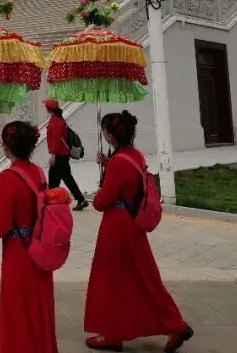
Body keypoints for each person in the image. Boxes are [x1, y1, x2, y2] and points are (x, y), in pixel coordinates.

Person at [84, 111, 193, 352]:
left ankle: (113, 334)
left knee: (111, 279)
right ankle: (174, 324)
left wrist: (98, 194)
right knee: (144, 277)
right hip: (132, 224)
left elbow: (103, 201)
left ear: (111, 136)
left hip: (117, 226)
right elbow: (128, 178)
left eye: (105, 131)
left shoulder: (118, 163)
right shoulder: (134, 155)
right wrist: (108, 163)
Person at [0, 121, 57, 353]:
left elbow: (2, 223)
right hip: (38, 245)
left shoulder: (9, 177)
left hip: (18, 253)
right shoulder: (38, 172)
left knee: (18, 308)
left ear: (6, 146)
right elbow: (24, 201)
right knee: (38, 305)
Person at [43, 99, 89, 211]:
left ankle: (52, 201)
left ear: (49, 108)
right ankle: (80, 199)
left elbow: (56, 139)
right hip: (62, 155)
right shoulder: (57, 119)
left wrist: (53, 154)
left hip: (59, 155)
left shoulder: (56, 120)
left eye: (46, 106)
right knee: (64, 178)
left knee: (55, 179)